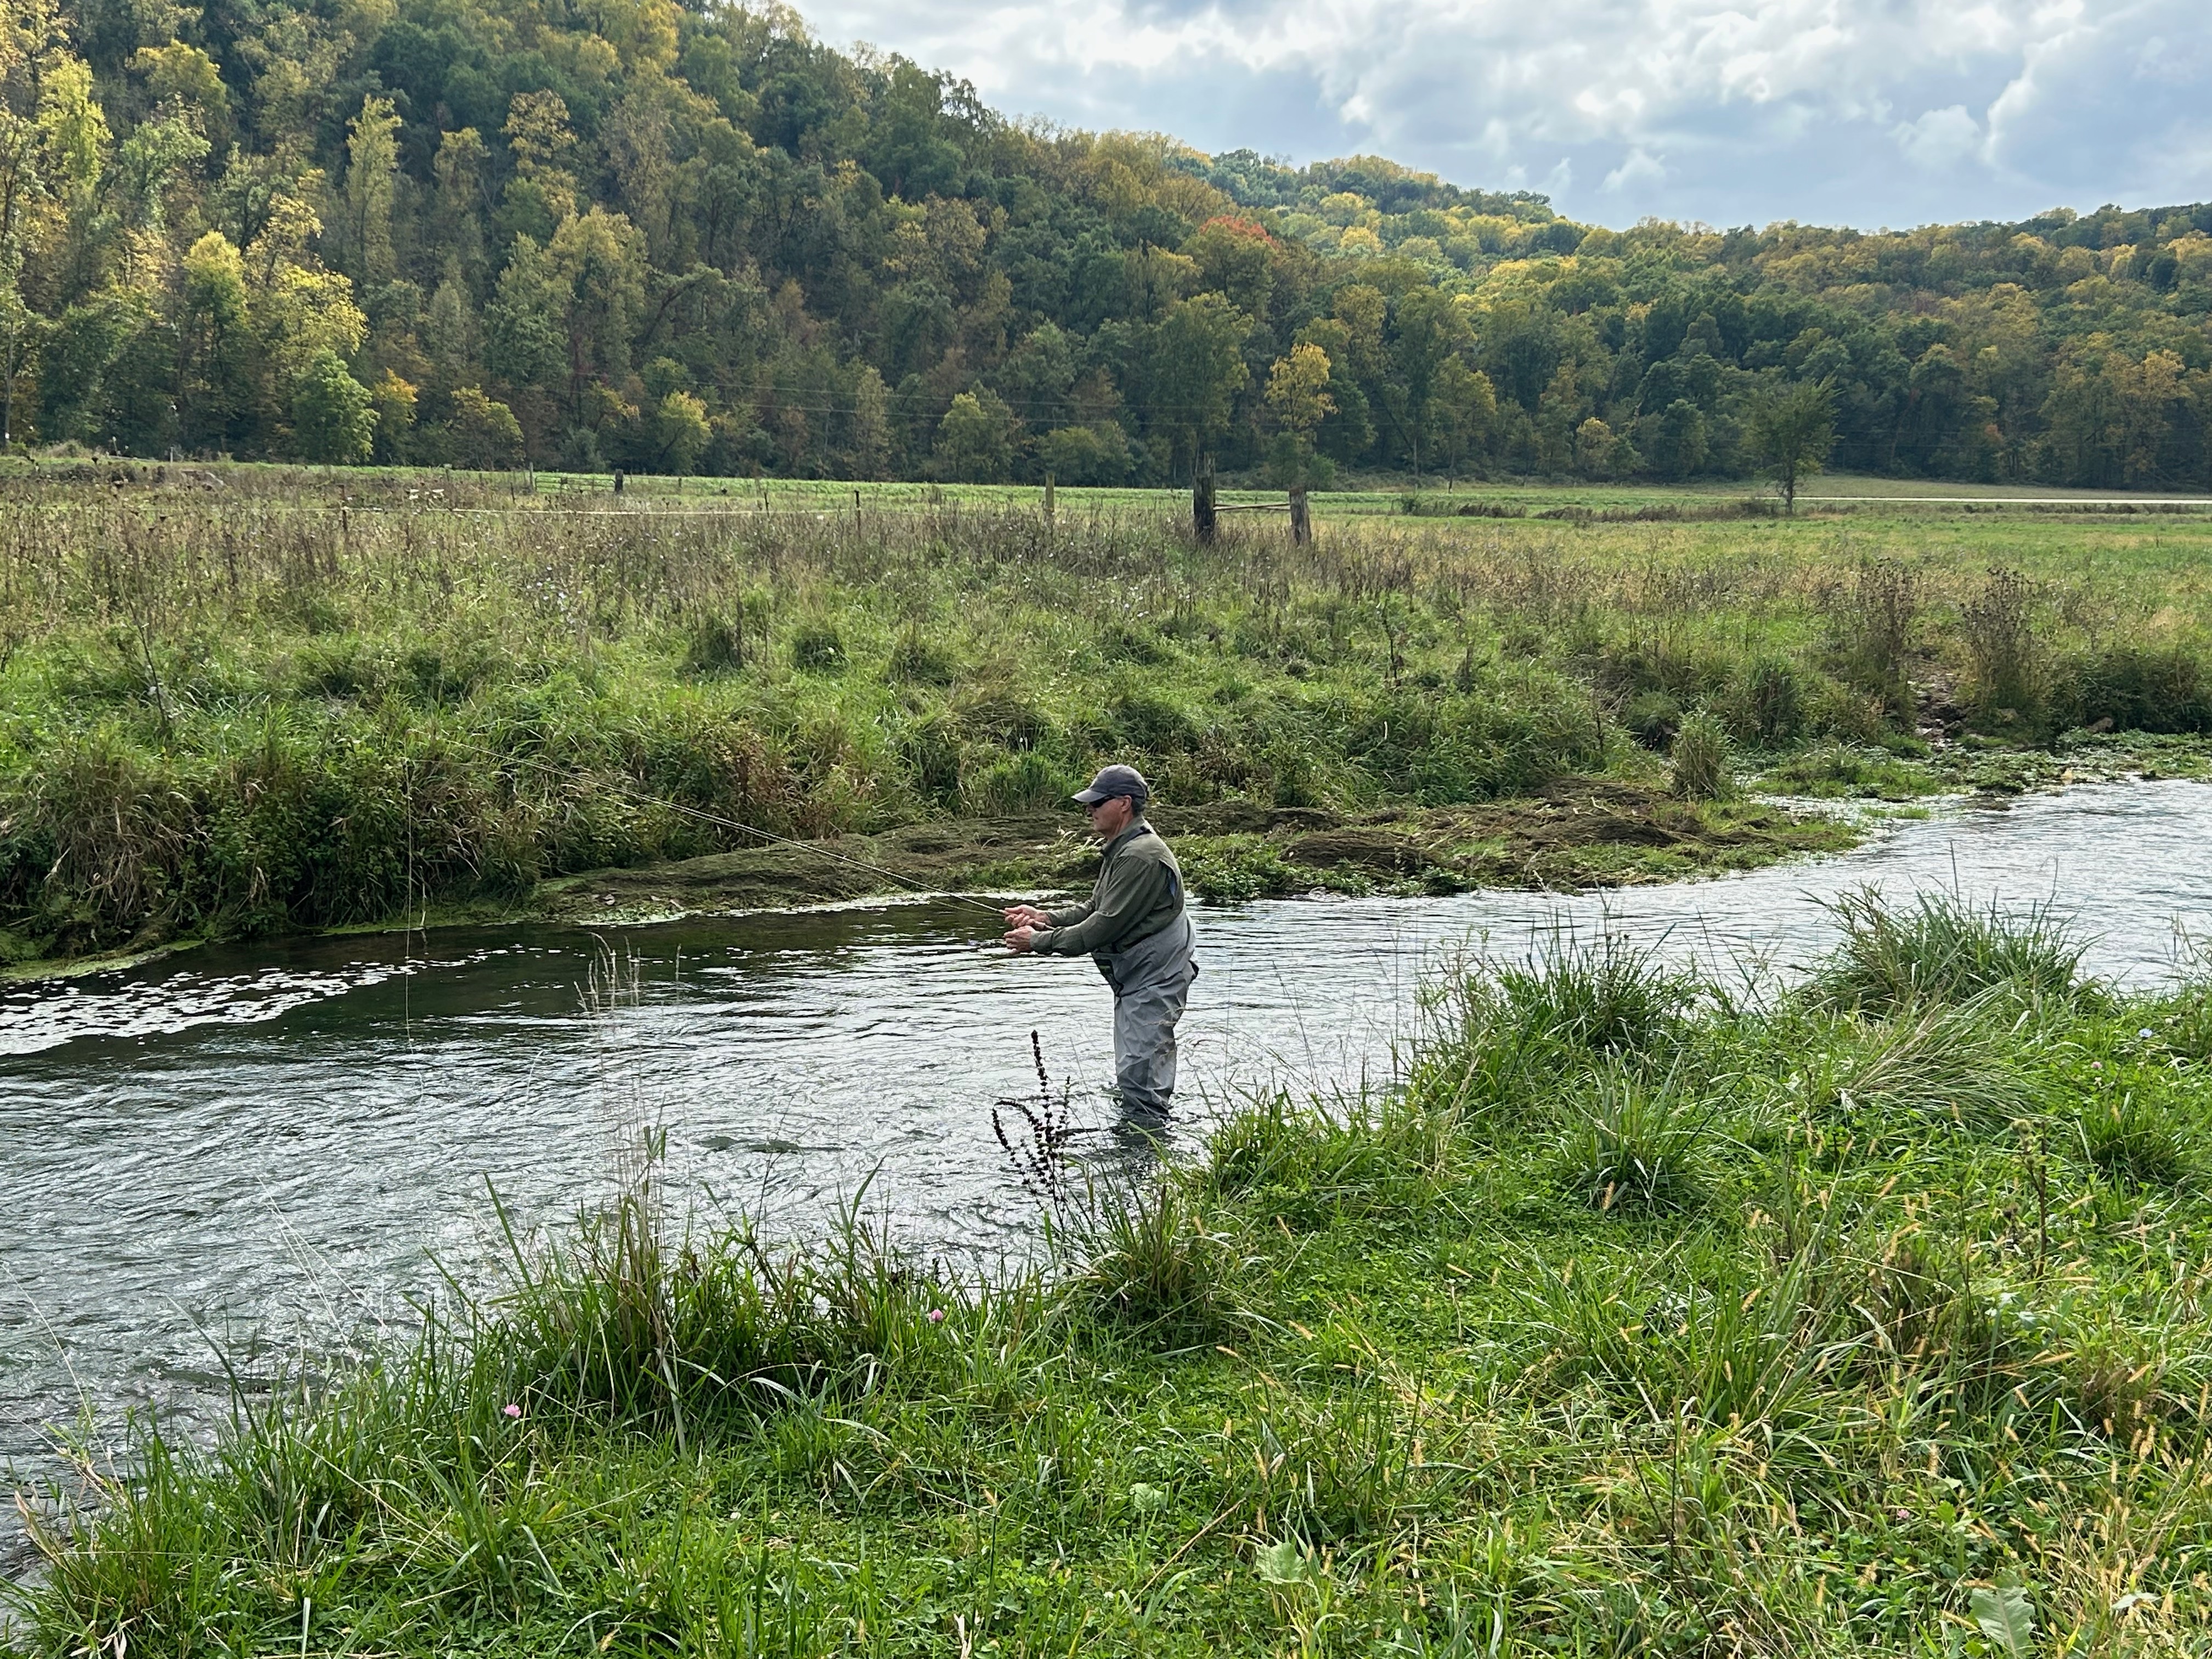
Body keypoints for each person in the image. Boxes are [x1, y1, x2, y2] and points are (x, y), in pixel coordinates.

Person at [1003, 764, 1197, 1114]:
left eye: (1097, 802)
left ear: (1124, 803)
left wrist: (1037, 942)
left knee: (1141, 1084)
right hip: (1142, 977)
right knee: (1138, 1076)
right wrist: (1044, 917)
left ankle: (1144, 1158)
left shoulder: (1139, 856)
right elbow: (1096, 908)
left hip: (1154, 979)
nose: (1088, 810)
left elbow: (1102, 928)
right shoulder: (1125, 847)